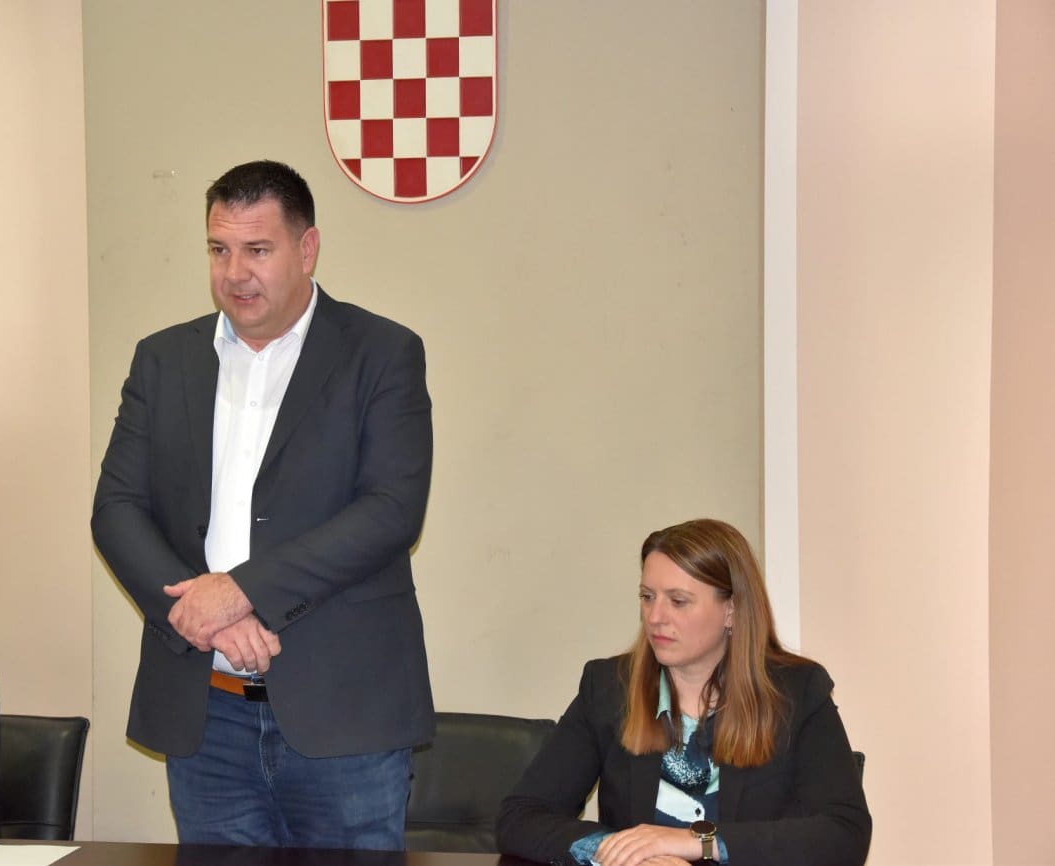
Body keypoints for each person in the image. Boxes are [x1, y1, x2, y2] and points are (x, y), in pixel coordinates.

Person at [92, 159, 434, 850]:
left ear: (307, 249)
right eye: (218, 250)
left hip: (344, 714)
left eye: (257, 249)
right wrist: (206, 618)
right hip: (205, 712)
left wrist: (240, 592)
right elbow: (117, 509)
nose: (235, 273)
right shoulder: (163, 359)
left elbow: (391, 510)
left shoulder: (381, 352)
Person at [496, 519, 871, 866]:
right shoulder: (609, 687)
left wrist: (696, 842)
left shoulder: (795, 692)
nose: (655, 617)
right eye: (647, 596)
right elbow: (520, 817)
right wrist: (626, 852)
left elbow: (845, 834)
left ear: (731, 610)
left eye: (678, 601)